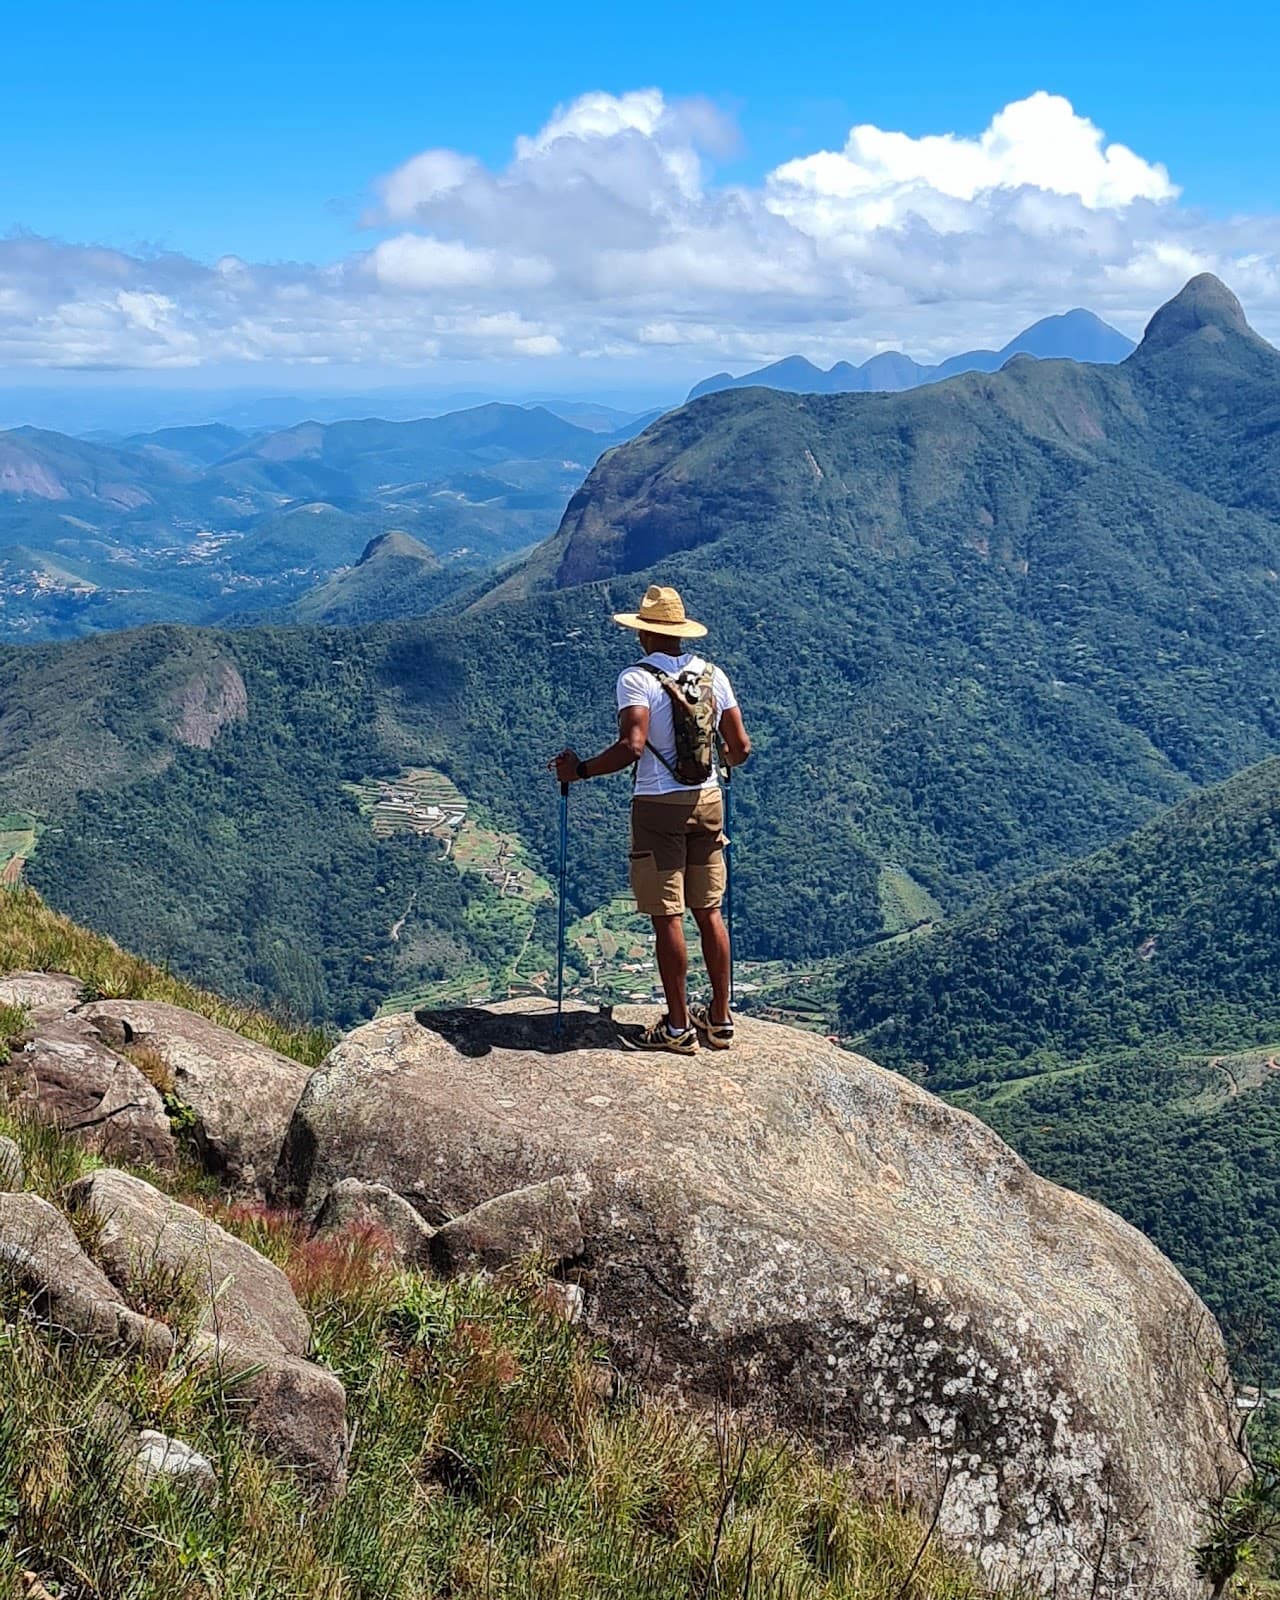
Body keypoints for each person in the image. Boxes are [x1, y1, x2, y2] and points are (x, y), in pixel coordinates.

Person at [550, 584, 751, 1054]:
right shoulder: (713, 676)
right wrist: (719, 762)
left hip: (657, 806)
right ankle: (719, 1020)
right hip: (708, 801)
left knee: (667, 916)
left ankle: (678, 1027)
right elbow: (740, 749)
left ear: (644, 634)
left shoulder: (636, 679)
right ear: (679, 633)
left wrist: (578, 771)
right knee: (710, 912)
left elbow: (631, 747)